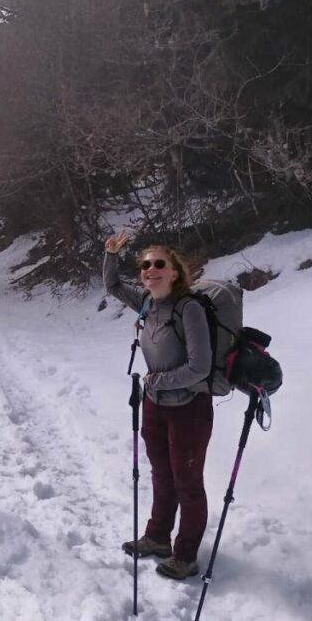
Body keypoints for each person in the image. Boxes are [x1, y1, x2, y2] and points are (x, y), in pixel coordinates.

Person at [103, 230, 213, 579]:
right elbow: (113, 287)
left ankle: (185, 556)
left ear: (174, 272)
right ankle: (157, 538)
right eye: (145, 265)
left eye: (158, 264)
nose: (150, 269)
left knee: (188, 483)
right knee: (161, 475)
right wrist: (111, 255)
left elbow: (200, 366)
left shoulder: (189, 308)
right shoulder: (147, 303)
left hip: (189, 408)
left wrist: (156, 381)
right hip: (155, 406)